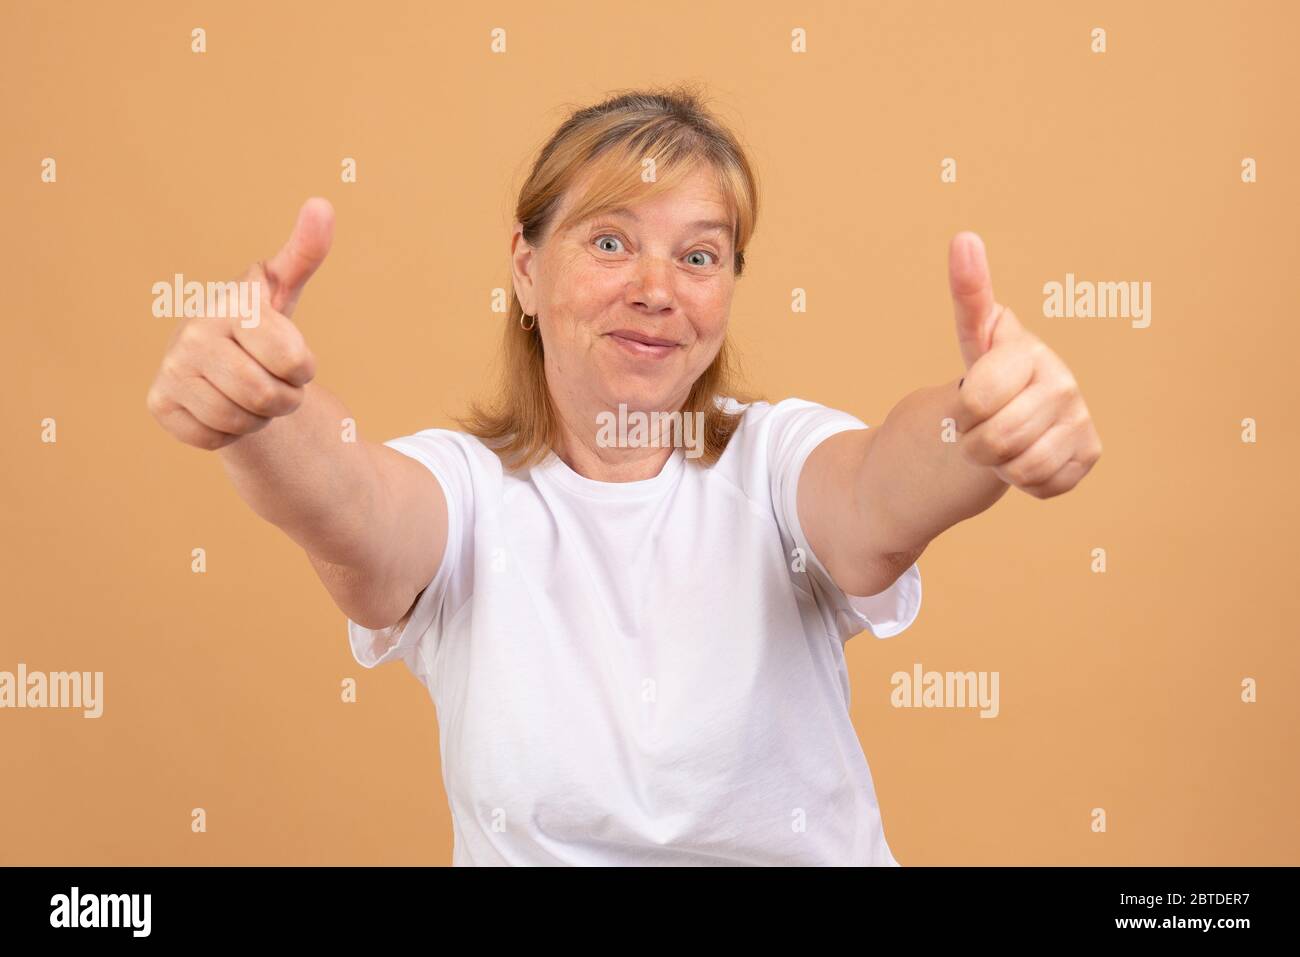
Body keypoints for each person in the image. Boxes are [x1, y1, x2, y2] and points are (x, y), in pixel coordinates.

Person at [145, 86, 1101, 866]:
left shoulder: (771, 462)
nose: (657, 287)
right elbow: (351, 503)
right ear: (524, 268)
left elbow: (878, 495)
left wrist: (981, 423)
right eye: (610, 242)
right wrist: (260, 412)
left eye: (699, 255)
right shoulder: (468, 493)